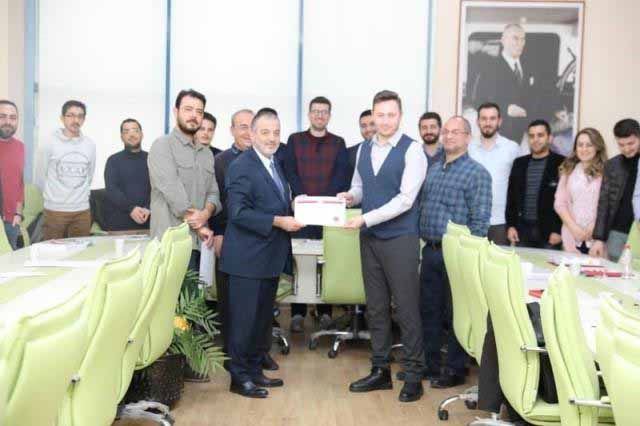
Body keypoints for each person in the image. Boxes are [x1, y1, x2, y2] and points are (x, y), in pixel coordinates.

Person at [338, 90, 427, 403]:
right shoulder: (364, 148)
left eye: (391, 115)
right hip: (370, 240)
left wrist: (365, 219)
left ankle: (414, 375)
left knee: (406, 309)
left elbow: (405, 200)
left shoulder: (413, 151)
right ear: (372, 116)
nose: (386, 121)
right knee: (375, 308)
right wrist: (350, 197)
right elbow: (360, 187)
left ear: (400, 116)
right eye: (380, 115)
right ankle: (380, 371)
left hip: (400, 239)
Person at [219, 108, 304, 398]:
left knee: (261, 322)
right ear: (252, 134)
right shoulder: (241, 166)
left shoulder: (274, 162)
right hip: (246, 259)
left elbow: (275, 201)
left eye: (276, 132)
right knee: (243, 323)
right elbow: (238, 212)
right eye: (265, 132)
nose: (272, 138)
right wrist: (278, 221)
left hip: (269, 257)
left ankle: (255, 371)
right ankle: (239, 377)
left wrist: (297, 205)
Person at [419, 116, 492, 388]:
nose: (449, 136)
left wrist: (468, 257)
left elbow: (480, 222)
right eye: (446, 132)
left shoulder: (477, 173)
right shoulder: (434, 169)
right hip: (431, 251)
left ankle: (454, 370)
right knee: (429, 311)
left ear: (468, 138)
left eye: (456, 132)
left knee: (456, 315)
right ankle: (430, 366)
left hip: (458, 255)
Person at [282, 96, 350, 332]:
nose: (320, 115)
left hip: (329, 214)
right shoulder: (295, 140)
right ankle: (297, 313)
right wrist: (303, 198)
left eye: (324, 112)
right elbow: (290, 171)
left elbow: (342, 175)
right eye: (316, 111)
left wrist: (324, 203)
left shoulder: (338, 143)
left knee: (326, 261)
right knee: (299, 260)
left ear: (329, 116)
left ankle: (325, 312)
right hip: (301, 210)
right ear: (309, 114)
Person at [148, 89, 221, 271]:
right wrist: (200, 226)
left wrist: (205, 214)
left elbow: (213, 192)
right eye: (188, 109)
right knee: (173, 291)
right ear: (176, 112)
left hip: (200, 244)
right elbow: (175, 194)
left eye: (199, 111)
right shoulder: (162, 146)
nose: (194, 116)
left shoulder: (206, 154)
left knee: (197, 291)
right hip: (171, 244)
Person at [37, 100, 96, 240]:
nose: (76, 120)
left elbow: (89, 175)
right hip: (54, 210)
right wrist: (52, 199)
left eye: (80, 116)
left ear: (84, 119)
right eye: (71, 115)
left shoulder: (90, 144)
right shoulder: (49, 142)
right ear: (62, 118)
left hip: (82, 211)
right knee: (51, 250)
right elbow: (40, 175)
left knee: (81, 251)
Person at [475, 24, 542, 144]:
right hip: (500, 135)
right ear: (503, 40)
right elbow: (479, 100)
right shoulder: (489, 69)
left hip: (528, 135)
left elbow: (536, 95)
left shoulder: (530, 65)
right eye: (515, 38)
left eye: (523, 39)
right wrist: (506, 108)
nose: (520, 43)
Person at [506, 119, 564, 248]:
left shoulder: (561, 163)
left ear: (549, 138)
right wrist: (511, 226)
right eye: (531, 136)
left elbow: (566, 201)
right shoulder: (519, 163)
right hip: (522, 231)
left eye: (540, 135)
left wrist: (558, 230)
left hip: (550, 233)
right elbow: (511, 198)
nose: (535, 140)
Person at [468, 103, 519, 245]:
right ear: (478, 122)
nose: (488, 123)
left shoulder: (512, 148)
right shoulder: (469, 148)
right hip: (472, 221)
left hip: (501, 223)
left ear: (499, 121)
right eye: (484, 119)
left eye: (492, 118)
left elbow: (518, 187)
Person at [591, 118, 640, 260]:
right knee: (614, 271)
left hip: (637, 230)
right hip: (617, 232)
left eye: (631, 143)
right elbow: (604, 203)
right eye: (621, 145)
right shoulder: (612, 165)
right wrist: (599, 238)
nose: (626, 149)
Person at [554, 128, 607, 254]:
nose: (584, 149)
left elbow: (607, 205)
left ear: (597, 147)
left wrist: (592, 228)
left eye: (589, 145)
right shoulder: (568, 169)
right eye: (580, 145)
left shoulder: (607, 172)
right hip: (571, 234)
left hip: (597, 238)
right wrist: (574, 228)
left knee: (595, 266)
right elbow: (560, 204)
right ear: (575, 148)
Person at [103, 118, 151, 231]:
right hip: (119, 223)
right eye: (126, 131)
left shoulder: (152, 159)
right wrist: (131, 209)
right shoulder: (113, 160)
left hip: (148, 219)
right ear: (121, 137)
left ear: (142, 135)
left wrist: (148, 208)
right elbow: (112, 189)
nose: (131, 134)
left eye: (135, 130)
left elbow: (158, 188)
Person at [0, 100, 25, 249]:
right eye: (2, 116)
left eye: (13, 117)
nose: (8, 122)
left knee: (10, 261)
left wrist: (18, 214)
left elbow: (19, 184)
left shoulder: (20, 147)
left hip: (11, 222)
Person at [347, 109, 375, 179]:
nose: (368, 129)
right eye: (363, 126)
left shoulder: (395, 150)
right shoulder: (350, 154)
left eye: (372, 124)